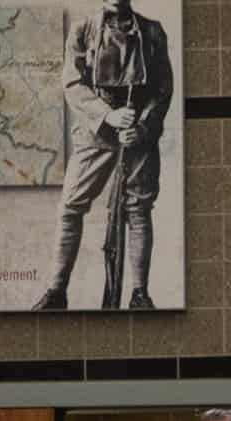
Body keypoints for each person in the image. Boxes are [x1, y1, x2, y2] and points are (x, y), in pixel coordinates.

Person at [29, 0, 173, 311]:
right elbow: (73, 84)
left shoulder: (152, 32)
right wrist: (108, 115)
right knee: (71, 206)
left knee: (139, 210)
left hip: (138, 131)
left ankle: (140, 294)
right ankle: (56, 292)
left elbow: (163, 89)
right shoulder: (83, 30)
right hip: (96, 131)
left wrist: (143, 128)